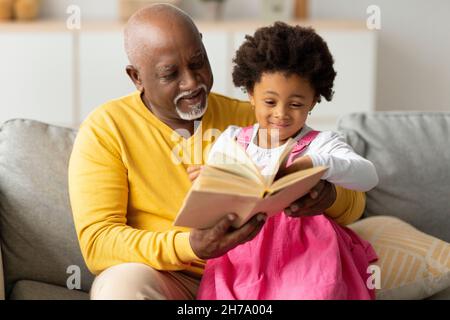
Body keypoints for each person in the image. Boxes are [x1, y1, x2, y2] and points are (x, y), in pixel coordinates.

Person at [68, 4, 369, 300]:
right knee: (121, 287)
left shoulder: (255, 115)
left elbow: (354, 203)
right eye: (170, 74)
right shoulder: (106, 129)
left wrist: (326, 197)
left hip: (257, 276)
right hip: (167, 275)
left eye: (197, 62)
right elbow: (99, 243)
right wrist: (190, 247)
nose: (192, 82)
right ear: (136, 77)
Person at [191, 22, 379, 300]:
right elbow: (214, 202)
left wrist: (317, 163)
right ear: (251, 95)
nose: (281, 114)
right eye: (270, 102)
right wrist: (210, 181)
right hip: (244, 255)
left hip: (308, 255)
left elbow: (368, 176)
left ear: (314, 101)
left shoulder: (321, 143)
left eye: (295, 104)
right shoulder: (231, 140)